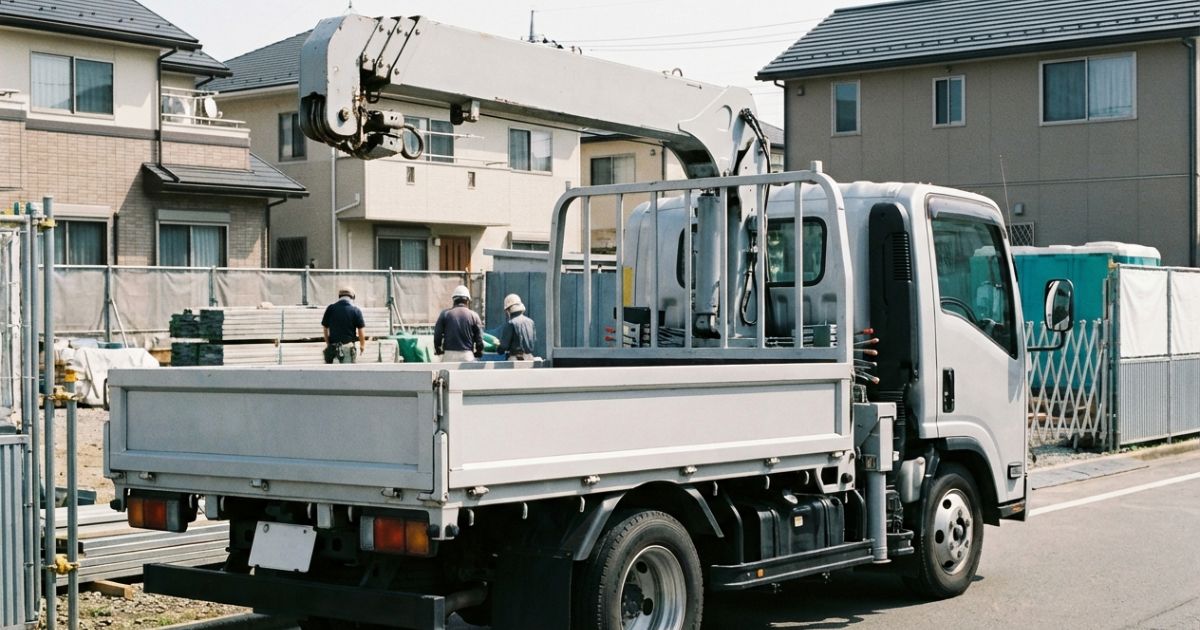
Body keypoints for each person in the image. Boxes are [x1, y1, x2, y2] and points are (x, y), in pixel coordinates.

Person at [434, 285, 483, 362]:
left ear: (453, 300)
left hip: (449, 355)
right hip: (467, 356)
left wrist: (438, 349)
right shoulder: (474, 316)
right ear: (467, 300)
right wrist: (479, 351)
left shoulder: (445, 314)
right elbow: (479, 339)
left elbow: (437, 335)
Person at [322, 286, 365, 364]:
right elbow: (360, 331)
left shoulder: (330, 308)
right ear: (352, 297)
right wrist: (362, 345)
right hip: (348, 348)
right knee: (347, 371)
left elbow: (325, 328)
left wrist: (328, 344)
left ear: (339, 296)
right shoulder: (356, 310)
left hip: (333, 348)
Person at [497, 293, 536, 361]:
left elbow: (504, 346)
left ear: (509, 310)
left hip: (515, 360)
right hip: (530, 359)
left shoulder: (510, 323)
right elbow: (533, 340)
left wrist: (498, 349)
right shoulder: (531, 322)